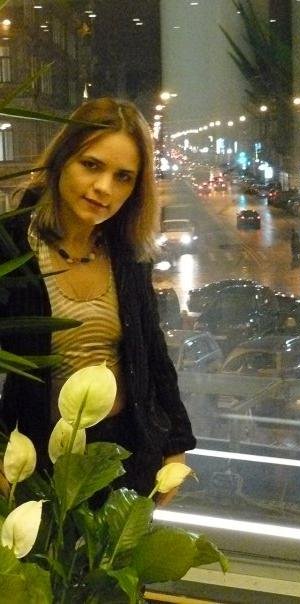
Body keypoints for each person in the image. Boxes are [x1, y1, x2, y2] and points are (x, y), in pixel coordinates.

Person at [0, 97, 196, 503]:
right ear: (62, 159)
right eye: (91, 165)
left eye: (123, 177)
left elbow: (151, 352)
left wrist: (175, 446)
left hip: (125, 459)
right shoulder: (13, 248)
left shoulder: (127, 253)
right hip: (34, 462)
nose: (105, 188)